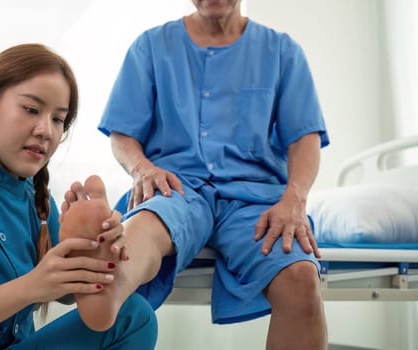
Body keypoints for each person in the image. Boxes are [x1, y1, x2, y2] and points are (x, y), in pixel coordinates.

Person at [66, 1, 330, 349]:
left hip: (254, 198)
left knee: (300, 277)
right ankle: (109, 283)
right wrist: (143, 169)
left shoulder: (281, 51)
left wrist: (294, 199)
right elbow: (123, 134)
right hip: (176, 183)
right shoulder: (152, 47)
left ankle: (111, 274)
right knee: (149, 223)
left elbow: (304, 138)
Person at [0, 43, 157, 350]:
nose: (46, 130)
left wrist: (93, 247)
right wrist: (31, 286)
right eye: (31, 110)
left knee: (135, 316)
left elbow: (68, 292)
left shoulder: (39, 202)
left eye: (59, 120)